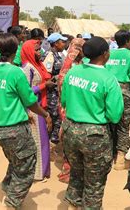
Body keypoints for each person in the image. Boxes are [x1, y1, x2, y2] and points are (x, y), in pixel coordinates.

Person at [0, 33, 52, 210]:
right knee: (27, 167)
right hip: (14, 130)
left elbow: (5, 99)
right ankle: (12, 203)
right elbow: (30, 101)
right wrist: (45, 115)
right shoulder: (15, 72)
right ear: (15, 50)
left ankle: (6, 187)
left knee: (16, 161)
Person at [61, 36, 123, 209]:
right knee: (94, 182)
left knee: (77, 173)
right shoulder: (108, 79)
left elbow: (64, 101)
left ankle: (74, 205)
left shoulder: (73, 72)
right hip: (95, 135)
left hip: (70, 130)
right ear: (105, 54)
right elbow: (115, 115)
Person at [105, 30, 130, 170]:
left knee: (108, 122)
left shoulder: (109, 53)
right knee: (124, 124)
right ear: (128, 41)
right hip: (124, 92)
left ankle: (108, 154)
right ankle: (120, 158)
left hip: (108, 90)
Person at [20, 39, 54, 181]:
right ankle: (36, 173)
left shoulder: (37, 65)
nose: (39, 52)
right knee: (38, 141)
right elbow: (26, 91)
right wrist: (43, 86)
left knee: (43, 140)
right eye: (36, 49)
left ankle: (43, 171)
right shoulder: (27, 68)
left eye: (40, 49)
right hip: (33, 109)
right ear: (28, 50)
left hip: (40, 105)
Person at [56, 38, 85, 184]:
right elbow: (61, 86)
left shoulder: (83, 64)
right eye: (76, 47)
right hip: (69, 107)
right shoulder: (68, 66)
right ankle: (68, 170)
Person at [43, 33, 67, 144]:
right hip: (51, 93)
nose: (64, 44)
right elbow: (47, 76)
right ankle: (50, 140)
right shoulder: (50, 56)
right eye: (62, 42)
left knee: (57, 115)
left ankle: (54, 139)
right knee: (54, 115)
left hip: (57, 91)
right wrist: (58, 77)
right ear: (55, 43)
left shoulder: (59, 55)